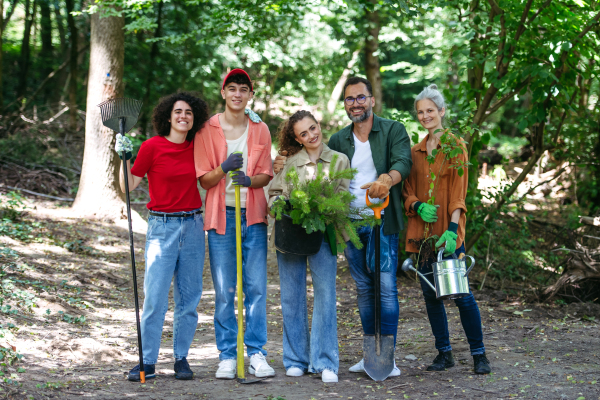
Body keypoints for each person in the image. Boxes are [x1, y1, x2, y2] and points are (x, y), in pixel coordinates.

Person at [274, 76, 412, 378]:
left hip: (381, 220)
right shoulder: (338, 139)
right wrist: (283, 162)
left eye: (361, 97)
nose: (356, 103)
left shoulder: (393, 130)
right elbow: (311, 160)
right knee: (364, 288)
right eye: (350, 99)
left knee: (386, 289)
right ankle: (369, 355)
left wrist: (387, 180)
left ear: (372, 100)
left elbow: (403, 161)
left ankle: (386, 357)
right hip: (348, 224)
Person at [116, 92, 210, 381]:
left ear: (194, 119)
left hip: (194, 226)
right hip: (162, 228)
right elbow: (128, 185)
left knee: (189, 298)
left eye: (189, 113)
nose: (183, 116)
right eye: (178, 112)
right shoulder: (152, 146)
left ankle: (181, 358)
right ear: (168, 116)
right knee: (155, 298)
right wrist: (122, 157)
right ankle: (147, 361)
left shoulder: (198, 147)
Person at [402, 84, 491, 375]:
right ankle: (445, 353)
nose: (425, 116)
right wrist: (416, 206)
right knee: (431, 296)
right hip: (422, 236)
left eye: (430, 110)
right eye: (420, 112)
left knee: (461, 295)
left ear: (441, 111)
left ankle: (479, 354)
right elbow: (407, 191)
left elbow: (458, 194)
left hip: (447, 235)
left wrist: (453, 230)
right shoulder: (415, 151)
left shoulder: (456, 147)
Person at [194, 69, 275, 379]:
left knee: (255, 288)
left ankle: (256, 354)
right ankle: (228, 355)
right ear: (224, 92)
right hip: (221, 216)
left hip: (253, 216)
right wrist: (224, 168)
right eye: (232, 88)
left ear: (249, 95)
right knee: (226, 290)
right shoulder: (207, 129)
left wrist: (250, 180)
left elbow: (266, 174)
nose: (238, 94)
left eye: (244, 89)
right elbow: (204, 179)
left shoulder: (260, 129)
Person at [268, 110, 350, 383]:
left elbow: (342, 200)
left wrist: (320, 207)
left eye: (313, 128)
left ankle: (325, 361)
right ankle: (295, 359)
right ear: (297, 139)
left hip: (323, 235)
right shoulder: (289, 162)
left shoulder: (339, 161)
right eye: (304, 133)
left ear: (319, 125)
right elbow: (275, 194)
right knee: (291, 295)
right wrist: (281, 207)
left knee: (326, 296)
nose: (311, 135)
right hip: (290, 234)